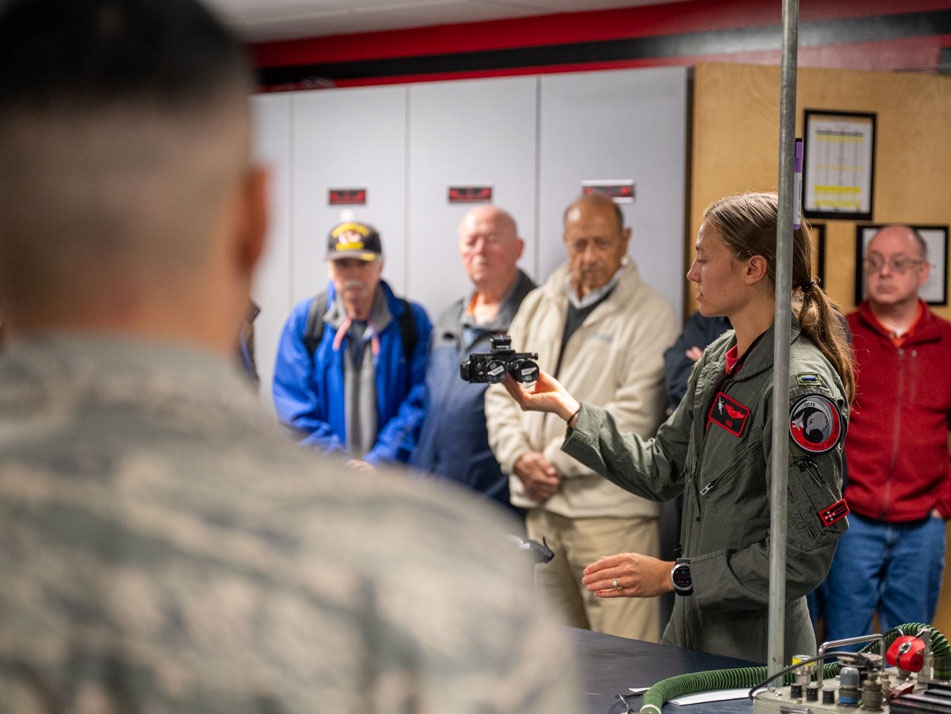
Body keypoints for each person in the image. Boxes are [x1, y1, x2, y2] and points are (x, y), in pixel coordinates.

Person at [0, 1, 580, 711]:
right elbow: (296, 406)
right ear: (255, 221)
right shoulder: (447, 589)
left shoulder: (409, 327)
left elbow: (414, 403)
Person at [499, 192, 856, 663]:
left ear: (754, 269)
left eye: (704, 259)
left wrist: (673, 576)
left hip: (755, 653)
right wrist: (569, 409)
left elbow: (800, 557)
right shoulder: (720, 357)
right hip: (692, 634)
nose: (692, 274)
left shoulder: (798, 385)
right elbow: (661, 468)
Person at [485, 193, 678, 643]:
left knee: (626, 660)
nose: (589, 256)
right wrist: (517, 458)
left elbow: (637, 414)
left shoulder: (651, 314)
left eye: (602, 243)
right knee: (559, 657)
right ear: (564, 242)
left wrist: (551, 461)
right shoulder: (538, 303)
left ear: (625, 240)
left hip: (611, 519)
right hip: (543, 516)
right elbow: (501, 390)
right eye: (579, 244)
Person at [823, 224, 951, 641]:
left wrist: (946, 504)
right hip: (851, 521)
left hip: (922, 526)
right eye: (875, 263)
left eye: (898, 264)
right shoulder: (839, 335)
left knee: (910, 651)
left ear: (923, 272)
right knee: (842, 648)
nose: (884, 272)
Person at [272, 220, 433, 467]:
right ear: (330, 269)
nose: (353, 274)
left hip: (393, 479)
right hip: (323, 478)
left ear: (381, 266)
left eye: (363, 263)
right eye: (342, 264)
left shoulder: (411, 321)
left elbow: (420, 400)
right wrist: (339, 465)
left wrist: (380, 462)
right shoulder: (306, 321)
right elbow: (293, 404)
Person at [410, 205, 535, 513]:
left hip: (495, 508)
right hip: (434, 497)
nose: (480, 250)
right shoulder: (448, 318)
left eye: (492, 239)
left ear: (518, 248)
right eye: (470, 241)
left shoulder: (537, 316)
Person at [663, 313, 730, 411]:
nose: (698, 297)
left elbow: (740, 398)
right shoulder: (705, 318)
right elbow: (676, 378)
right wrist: (721, 372)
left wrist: (706, 366)